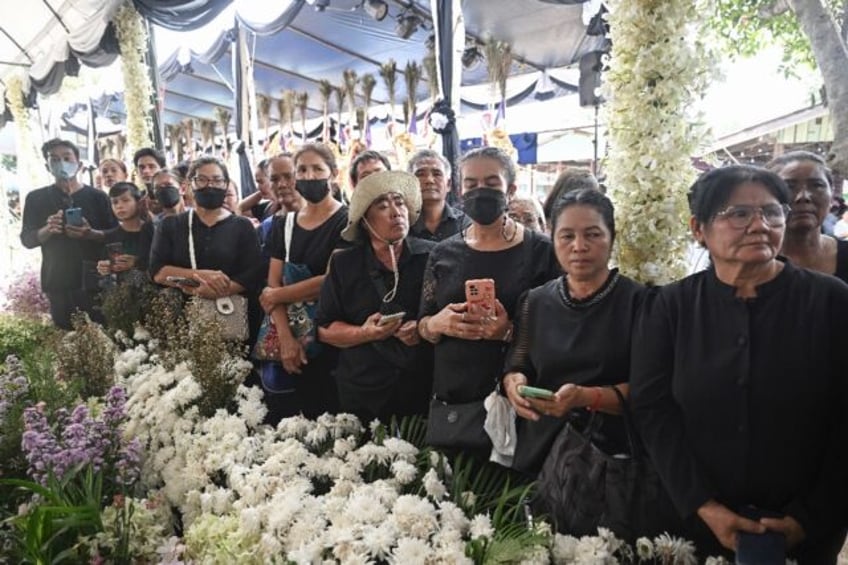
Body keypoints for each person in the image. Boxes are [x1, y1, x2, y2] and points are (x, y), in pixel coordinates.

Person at [630, 165, 848, 562]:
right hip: (696, 520)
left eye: (771, 212)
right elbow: (652, 409)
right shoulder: (669, 307)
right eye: (739, 214)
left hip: (809, 526)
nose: (760, 225)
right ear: (699, 229)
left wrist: (809, 516)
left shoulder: (831, 301)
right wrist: (703, 505)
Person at [418, 147, 559, 454]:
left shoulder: (542, 252)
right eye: (471, 184)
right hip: (453, 400)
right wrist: (437, 324)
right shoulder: (443, 253)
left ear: (510, 189)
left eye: (492, 183)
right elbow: (423, 326)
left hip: (517, 399)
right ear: (459, 190)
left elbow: (559, 329)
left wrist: (509, 333)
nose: (481, 191)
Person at [502, 189, 642, 475]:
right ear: (552, 238)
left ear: (611, 237)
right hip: (541, 455)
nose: (579, 246)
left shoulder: (641, 302)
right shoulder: (534, 301)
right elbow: (518, 364)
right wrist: (515, 386)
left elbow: (649, 390)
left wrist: (583, 397)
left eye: (592, 234)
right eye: (567, 236)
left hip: (612, 460)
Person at [317, 171, 434, 422]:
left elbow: (447, 312)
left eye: (400, 202)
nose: (395, 211)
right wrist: (365, 333)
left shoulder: (433, 257)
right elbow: (325, 329)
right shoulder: (344, 264)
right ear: (365, 220)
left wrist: (424, 328)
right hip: (363, 389)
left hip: (421, 387)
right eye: (382, 206)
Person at [260, 143, 348, 418]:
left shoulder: (347, 221)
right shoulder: (282, 224)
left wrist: (276, 296)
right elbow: (273, 281)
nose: (309, 176)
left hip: (335, 337)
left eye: (317, 169)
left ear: (333, 173)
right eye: (302, 170)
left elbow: (332, 279)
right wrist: (286, 340)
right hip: (295, 338)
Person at [149, 156, 263, 339]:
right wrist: (203, 277)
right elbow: (159, 272)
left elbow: (253, 274)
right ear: (189, 185)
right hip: (183, 321)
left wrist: (217, 291)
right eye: (202, 179)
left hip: (233, 319)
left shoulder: (242, 226)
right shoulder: (170, 225)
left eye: (217, 180)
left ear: (225, 185)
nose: (210, 185)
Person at [20, 138, 117, 329]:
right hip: (58, 280)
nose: (61, 163)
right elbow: (27, 239)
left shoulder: (98, 197)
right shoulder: (36, 198)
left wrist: (91, 234)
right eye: (54, 159)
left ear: (79, 164)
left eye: (66, 157)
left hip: (94, 280)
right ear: (47, 166)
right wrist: (47, 230)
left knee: (103, 336)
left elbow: (115, 235)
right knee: (67, 337)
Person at [767, 151, 848, 284]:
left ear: (832, 194)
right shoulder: (749, 262)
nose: (803, 196)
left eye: (817, 185)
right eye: (789, 186)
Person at [407, 149, 470, 242]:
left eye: (437, 174)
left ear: (448, 184)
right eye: (420, 174)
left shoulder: (466, 224)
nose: (429, 180)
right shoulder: (402, 225)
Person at [95, 182, 155, 277]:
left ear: (138, 203)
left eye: (125, 200)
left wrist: (137, 263)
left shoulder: (153, 231)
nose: (119, 206)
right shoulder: (110, 236)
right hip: (121, 290)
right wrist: (104, 268)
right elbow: (107, 268)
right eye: (115, 202)